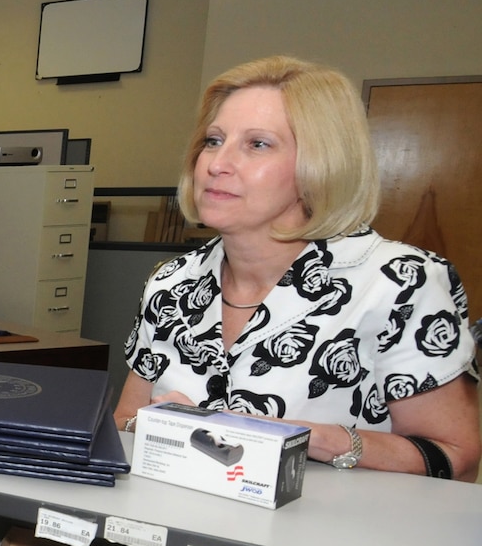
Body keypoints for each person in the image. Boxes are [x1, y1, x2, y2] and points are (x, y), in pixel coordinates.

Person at [115, 55, 479, 480]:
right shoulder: (172, 283)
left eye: (257, 144)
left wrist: (313, 440)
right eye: (213, 141)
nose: (216, 164)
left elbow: (456, 458)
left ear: (320, 164)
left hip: (325, 538)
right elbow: (126, 421)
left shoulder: (399, 282)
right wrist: (173, 427)